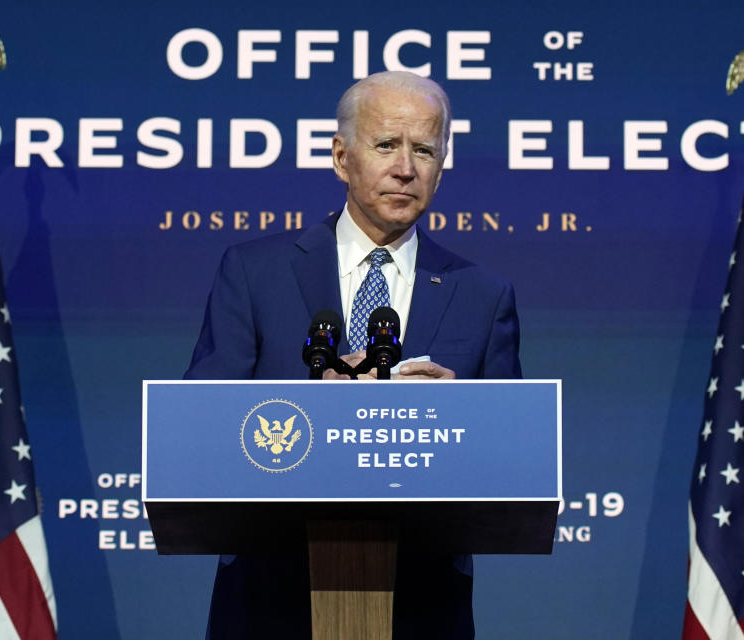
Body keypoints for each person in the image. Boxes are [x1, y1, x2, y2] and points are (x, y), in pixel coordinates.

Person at [185, 70, 522, 639]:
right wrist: (313, 408)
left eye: (424, 150)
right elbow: (200, 427)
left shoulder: (484, 295)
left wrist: (460, 414)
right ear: (341, 157)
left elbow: (515, 463)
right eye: (386, 145)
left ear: (441, 168)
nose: (405, 168)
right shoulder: (254, 271)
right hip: (270, 599)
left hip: (423, 606)